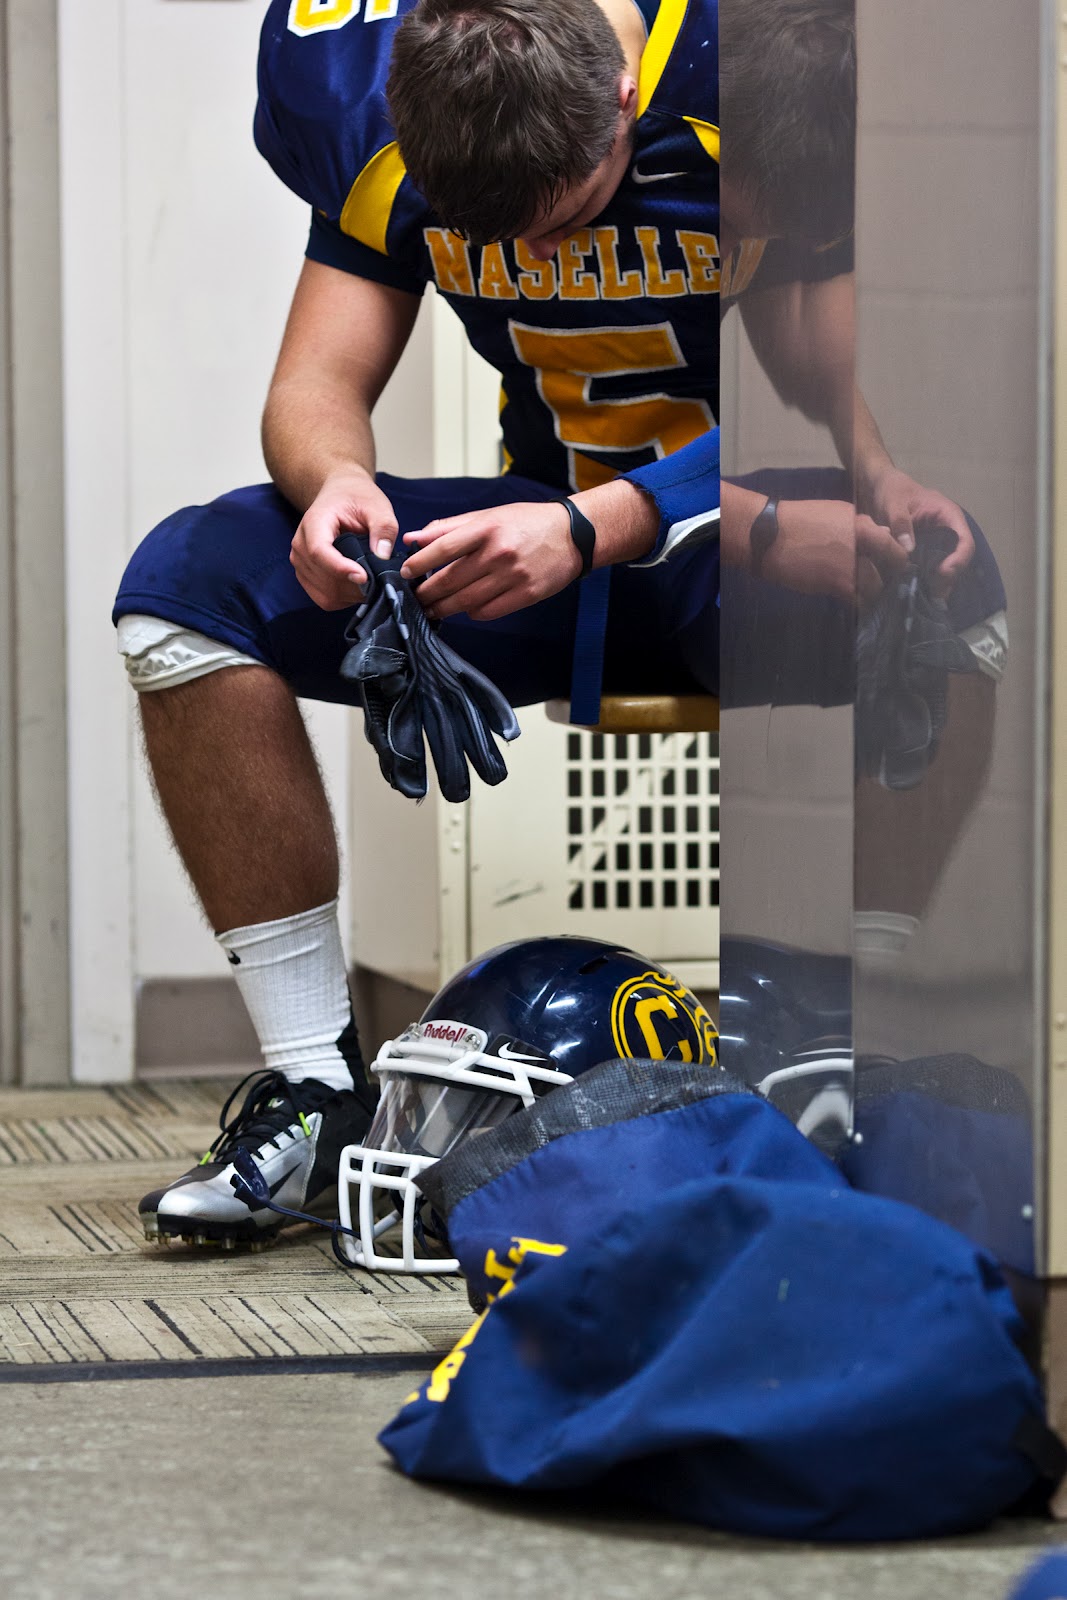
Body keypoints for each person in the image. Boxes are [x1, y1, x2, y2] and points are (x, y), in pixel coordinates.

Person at [116, 0, 720, 1245]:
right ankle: (314, 1090)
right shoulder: (375, 104)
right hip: (541, 544)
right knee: (186, 584)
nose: (535, 250)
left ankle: (902, 1056)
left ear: (621, 102)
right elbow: (314, 384)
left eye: (567, 208)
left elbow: (882, 412)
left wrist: (606, 519)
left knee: (953, 581)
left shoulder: (754, 65)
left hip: (753, 532)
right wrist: (336, 481)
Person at [716, 0, 1006, 946]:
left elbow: (805, 361)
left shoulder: (805, 128)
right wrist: (765, 525)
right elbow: (596, 468)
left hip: (703, 513)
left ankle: (879, 986)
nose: (795, 251)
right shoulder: (645, 149)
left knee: (945, 577)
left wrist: (879, 477)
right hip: (573, 518)